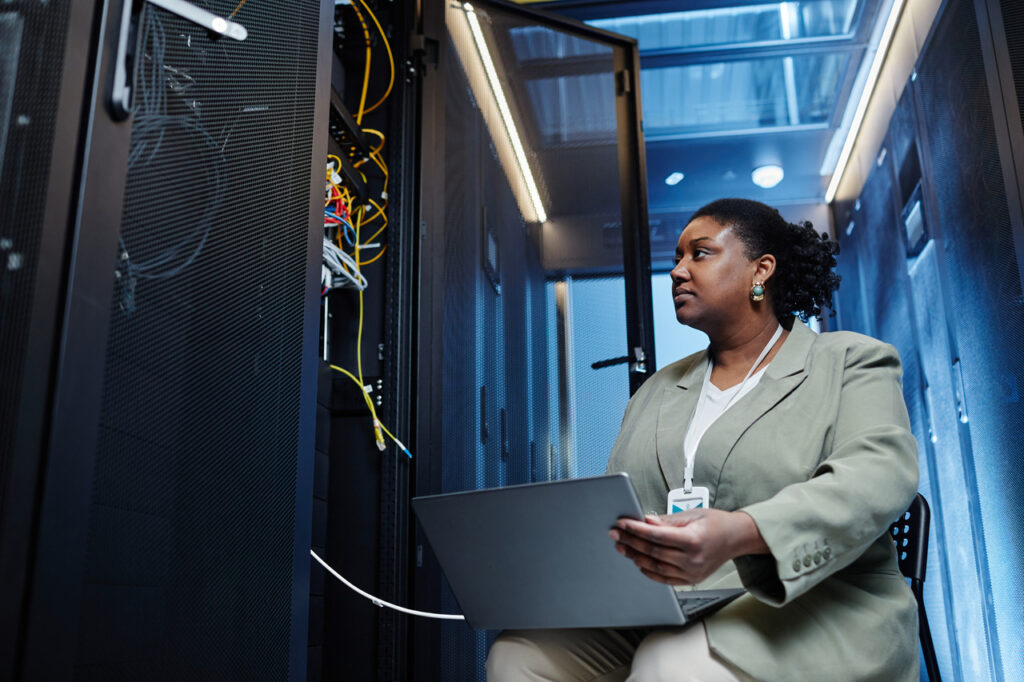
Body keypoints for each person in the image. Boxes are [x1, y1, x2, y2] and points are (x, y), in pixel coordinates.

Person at [486, 198, 920, 681]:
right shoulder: (656, 390)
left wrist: (740, 532)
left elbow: (878, 476)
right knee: (517, 653)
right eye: (676, 257)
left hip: (814, 603)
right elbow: (620, 504)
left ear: (762, 269)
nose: (677, 270)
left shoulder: (849, 362)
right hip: (675, 604)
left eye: (700, 253)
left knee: (666, 664)